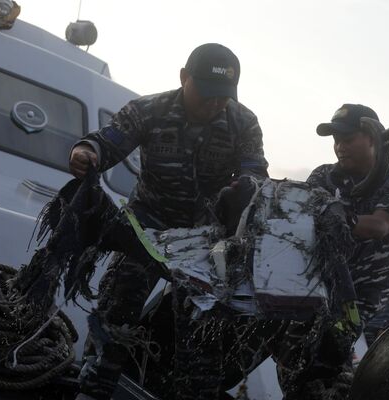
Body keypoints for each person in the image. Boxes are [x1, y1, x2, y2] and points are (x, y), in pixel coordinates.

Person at [69, 43, 269, 400]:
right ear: (183, 78)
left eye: (223, 97)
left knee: (202, 335)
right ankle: (94, 388)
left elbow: (256, 172)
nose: (214, 104)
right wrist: (87, 152)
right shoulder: (149, 110)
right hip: (148, 229)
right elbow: (108, 142)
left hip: (207, 243)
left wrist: (247, 189)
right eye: (207, 93)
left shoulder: (244, 121)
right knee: (116, 314)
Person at [275, 104, 389, 399]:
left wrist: (338, 219)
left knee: (326, 359)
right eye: (336, 140)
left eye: (348, 139)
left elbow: (380, 225)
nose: (339, 147)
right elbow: (298, 219)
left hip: (361, 293)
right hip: (315, 285)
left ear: (373, 139)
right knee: (289, 357)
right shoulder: (323, 176)